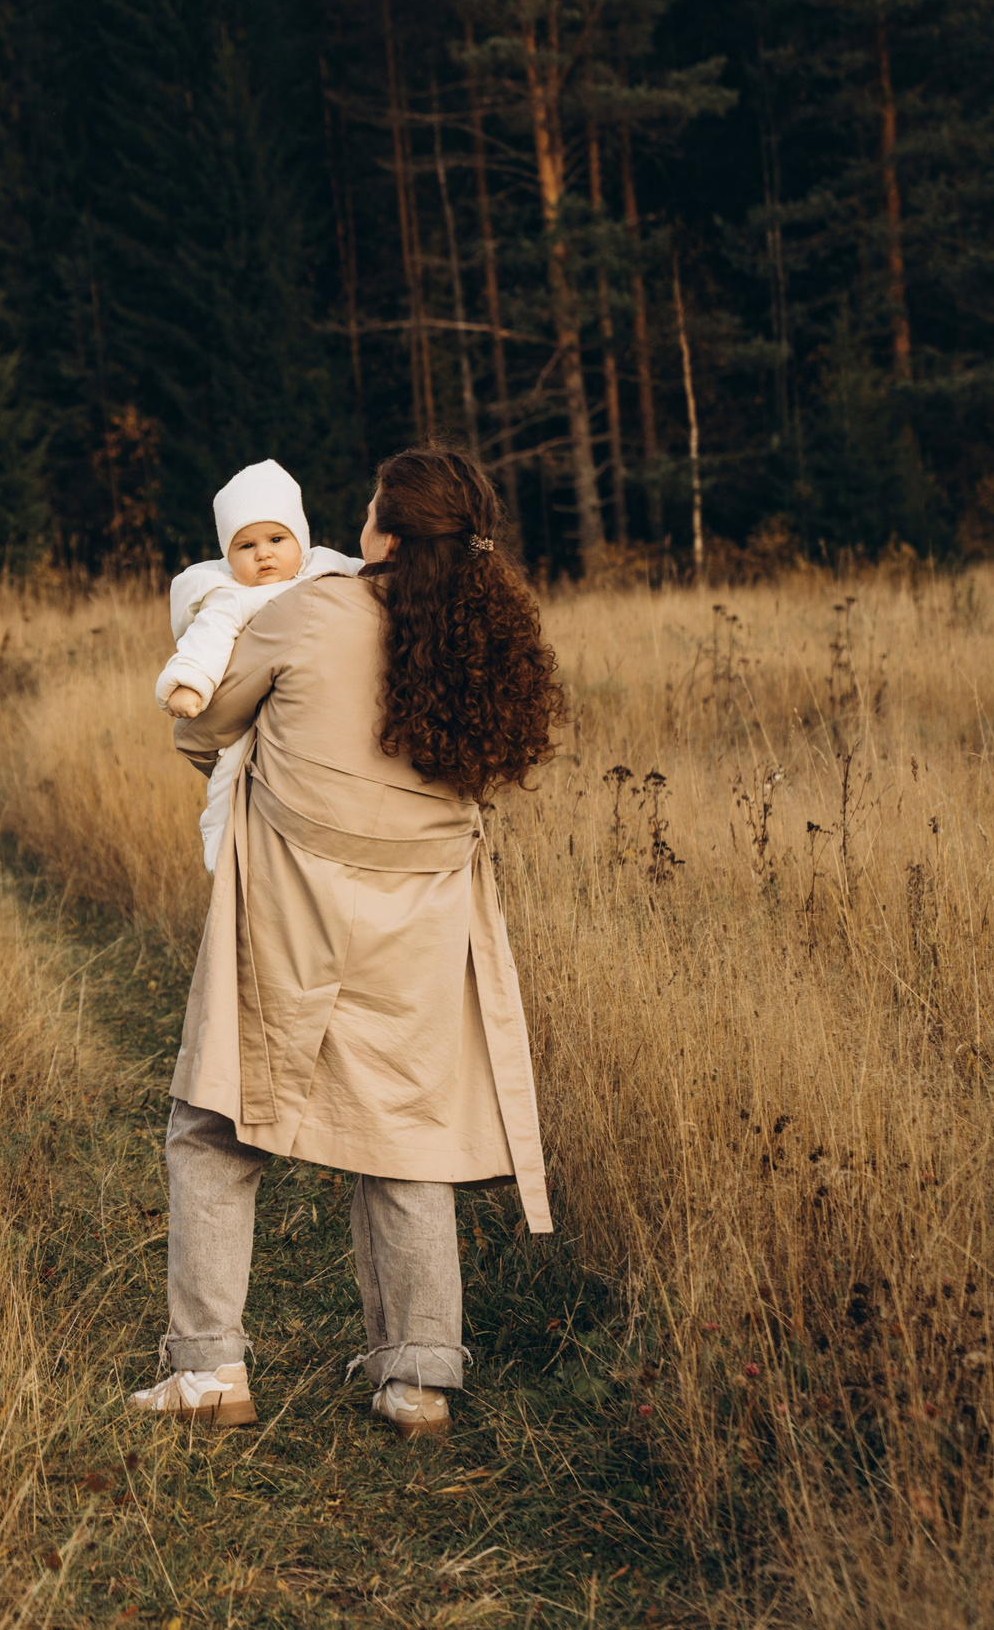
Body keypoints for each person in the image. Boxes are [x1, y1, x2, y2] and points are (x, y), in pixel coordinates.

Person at [128, 445, 566, 1439]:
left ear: (384, 531)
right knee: (403, 1134)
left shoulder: (301, 614)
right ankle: (414, 1376)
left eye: (368, 509)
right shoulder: (483, 637)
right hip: (423, 924)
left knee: (212, 1127)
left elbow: (204, 734)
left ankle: (207, 1372)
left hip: (291, 914)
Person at [157, 460, 364, 873]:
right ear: (227, 555)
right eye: (246, 546)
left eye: (275, 538)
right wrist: (190, 685)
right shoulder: (229, 597)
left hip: (306, 708)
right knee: (228, 785)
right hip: (245, 713)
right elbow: (207, 640)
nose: (264, 554)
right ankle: (225, 860)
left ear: (300, 540)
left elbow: (364, 576)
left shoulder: (323, 567)